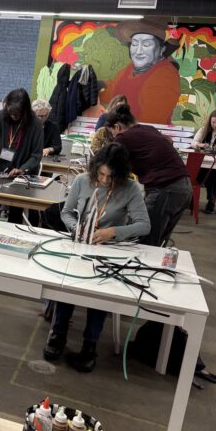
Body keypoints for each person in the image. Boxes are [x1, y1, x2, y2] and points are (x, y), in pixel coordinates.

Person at [43, 143, 151, 372]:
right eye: (100, 174)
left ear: (120, 175)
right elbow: (66, 212)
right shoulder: (82, 181)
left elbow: (144, 225)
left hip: (109, 250)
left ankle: (90, 344)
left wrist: (113, 232)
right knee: (67, 283)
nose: (104, 180)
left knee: (101, 291)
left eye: (110, 177)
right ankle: (58, 334)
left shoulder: (131, 189)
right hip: (80, 245)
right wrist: (76, 229)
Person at [105, 105, 191, 247]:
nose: (114, 137)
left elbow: (111, 166)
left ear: (117, 127)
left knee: (144, 241)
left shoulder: (123, 137)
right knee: (159, 242)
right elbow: (167, 143)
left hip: (166, 188)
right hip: (184, 187)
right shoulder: (148, 129)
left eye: (112, 133)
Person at [100, 18, 180, 125]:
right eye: (134, 44)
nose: (138, 51)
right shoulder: (131, 68)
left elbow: (150, 119)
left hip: (143, 135)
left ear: (162, 49)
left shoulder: (165, 75)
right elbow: (113, 90)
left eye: (146, 45)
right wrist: (98, 87)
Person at [0, 88, 43, 177]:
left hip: (24, 175)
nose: (13, 116)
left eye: (17, 114)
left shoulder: (35, 124)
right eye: (10, 112)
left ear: (25, 110)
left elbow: (36, 155)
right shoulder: (0, 117)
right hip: (0, 172)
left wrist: (22, 169)